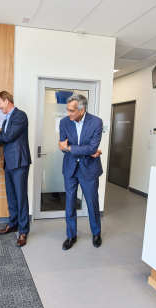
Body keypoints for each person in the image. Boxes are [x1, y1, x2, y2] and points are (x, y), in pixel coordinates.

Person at [0, 91, 31, 247]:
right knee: (11, 196)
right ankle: (13, 224)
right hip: (9, 163)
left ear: (6, 101)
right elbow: (1, 139)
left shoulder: (20, 116)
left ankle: (23, 231)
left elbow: (9, 137)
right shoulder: (6, 120)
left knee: (21, 197)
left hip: (19, 162)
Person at [58, 94, 103, 250]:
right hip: (70, 168)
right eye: (67, 110)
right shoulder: (64, 122)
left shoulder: (96, 122)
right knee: (69, 204)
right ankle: (71, 235)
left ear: (82, 109)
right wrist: (83, 150)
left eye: (71, 111)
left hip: (89, 169)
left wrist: (70, 148)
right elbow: (62, 147)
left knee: (92, 203)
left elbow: (92, 147)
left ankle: (96, 233)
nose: (68, 113)